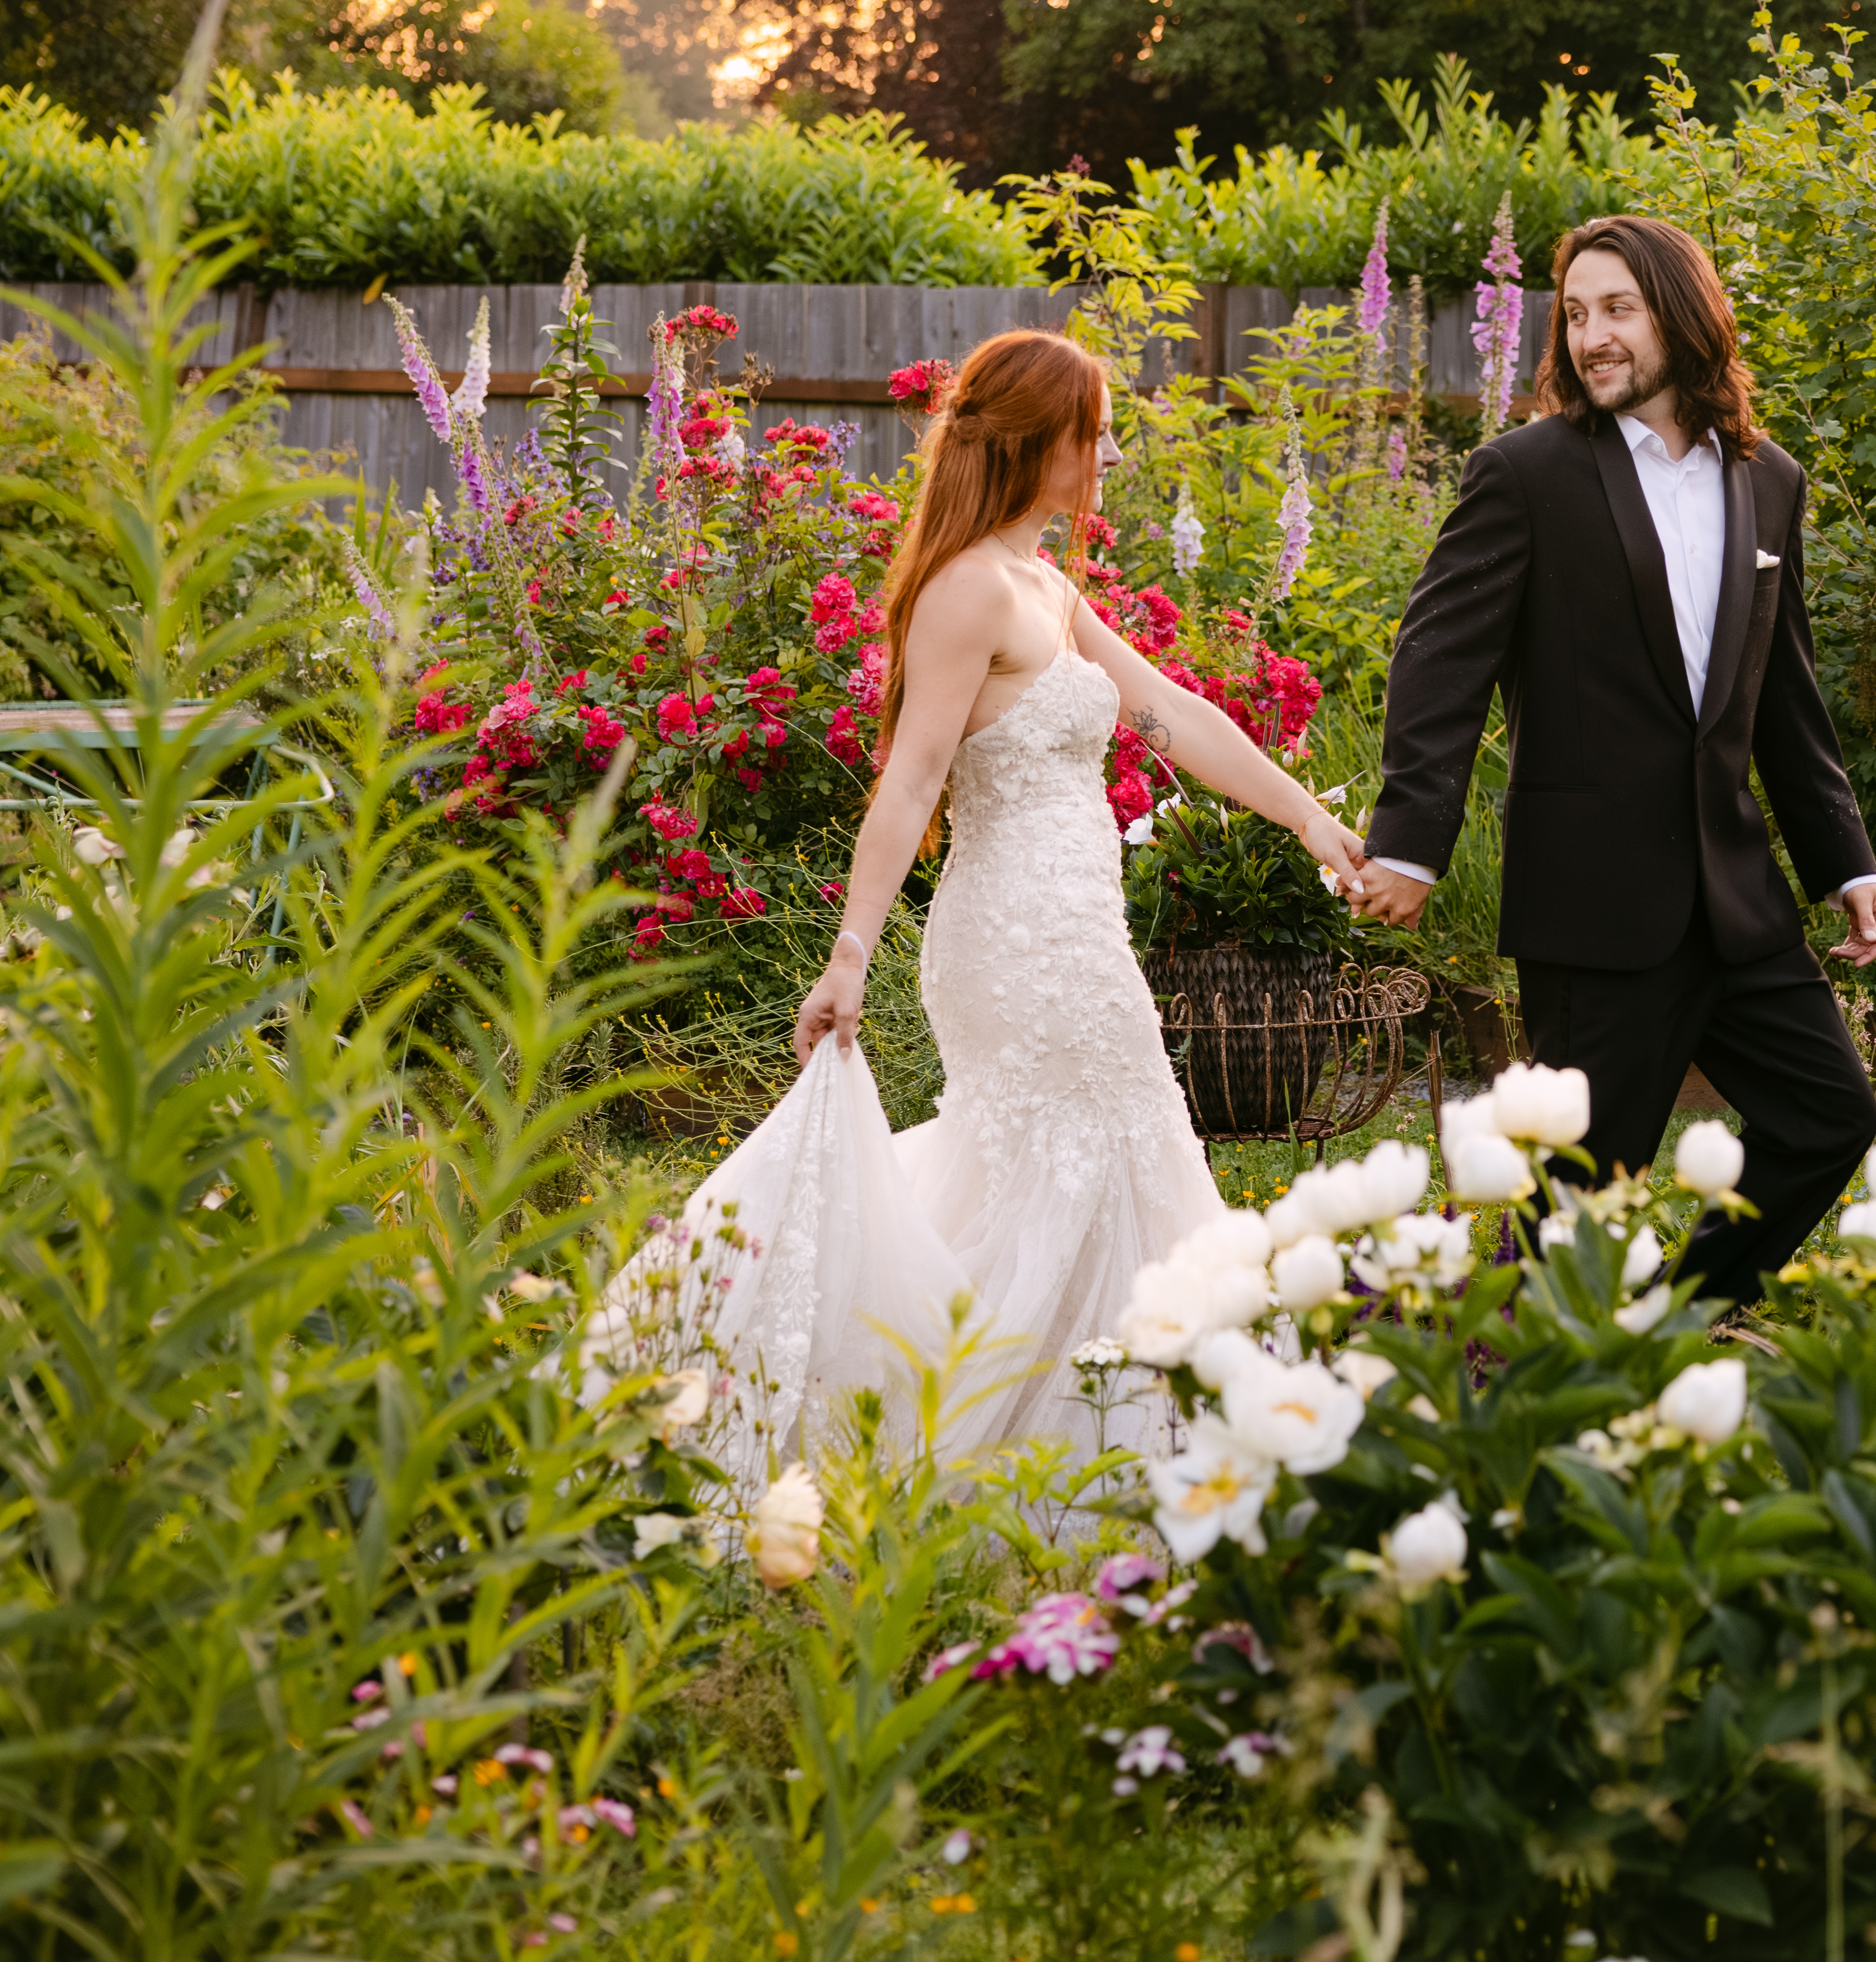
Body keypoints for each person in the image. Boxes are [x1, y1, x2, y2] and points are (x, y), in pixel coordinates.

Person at [587, 330, 1371, 1476]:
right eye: (1087, 432)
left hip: (1076, 936)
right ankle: (1008, 1456)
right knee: (1092, 1155)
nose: (1103, 452)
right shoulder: (968, 590)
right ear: (1029, 442)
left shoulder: (1045, 586)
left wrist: (1307, 817)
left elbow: (1172, 715)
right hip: (1015, 946)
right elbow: (910, 780)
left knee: (1080, 1164)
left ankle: (1089, 1448)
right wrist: (849, 953)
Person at [1346, 213, 1876, 1309]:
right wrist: (1410, 840)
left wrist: (1846, 858)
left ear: (1682, 318)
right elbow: (1439, 662)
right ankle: (1541, 1394)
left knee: (1832, 1115)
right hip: (1593, 910)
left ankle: (1674, 1328)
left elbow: (1784, 693)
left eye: (1617, 310)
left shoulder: (1767, 482)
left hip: (1737, 901)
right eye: (1576, 314)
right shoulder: (1525, 475)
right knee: (1581, 1202)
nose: (1590, 336)